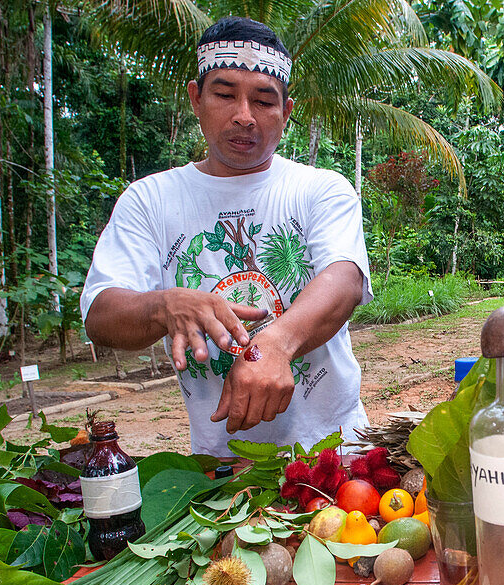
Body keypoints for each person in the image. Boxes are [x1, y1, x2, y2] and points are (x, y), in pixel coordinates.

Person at [81, 16, 373, 457]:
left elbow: (345, 278)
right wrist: (166, 304)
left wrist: (276, 343)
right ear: (196, 99)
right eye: (224, 94)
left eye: (263, 101)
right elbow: (101, 314)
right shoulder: (151, 200)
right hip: (222, 469)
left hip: (337, 454)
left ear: (285, 112)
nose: (244, 116)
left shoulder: (321, 189)